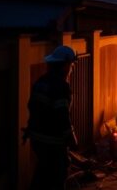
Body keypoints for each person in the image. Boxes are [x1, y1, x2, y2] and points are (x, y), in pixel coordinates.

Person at [24, 45, 79, 190]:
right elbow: (62, 115)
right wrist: (71, 138)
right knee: (58, 174)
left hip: (37, 138)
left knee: (42, 172)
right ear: (65, 65)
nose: (71, 69)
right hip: (52, 141)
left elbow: (32, 106)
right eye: (71, 65)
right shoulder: (61, 87)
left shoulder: (41, 82)